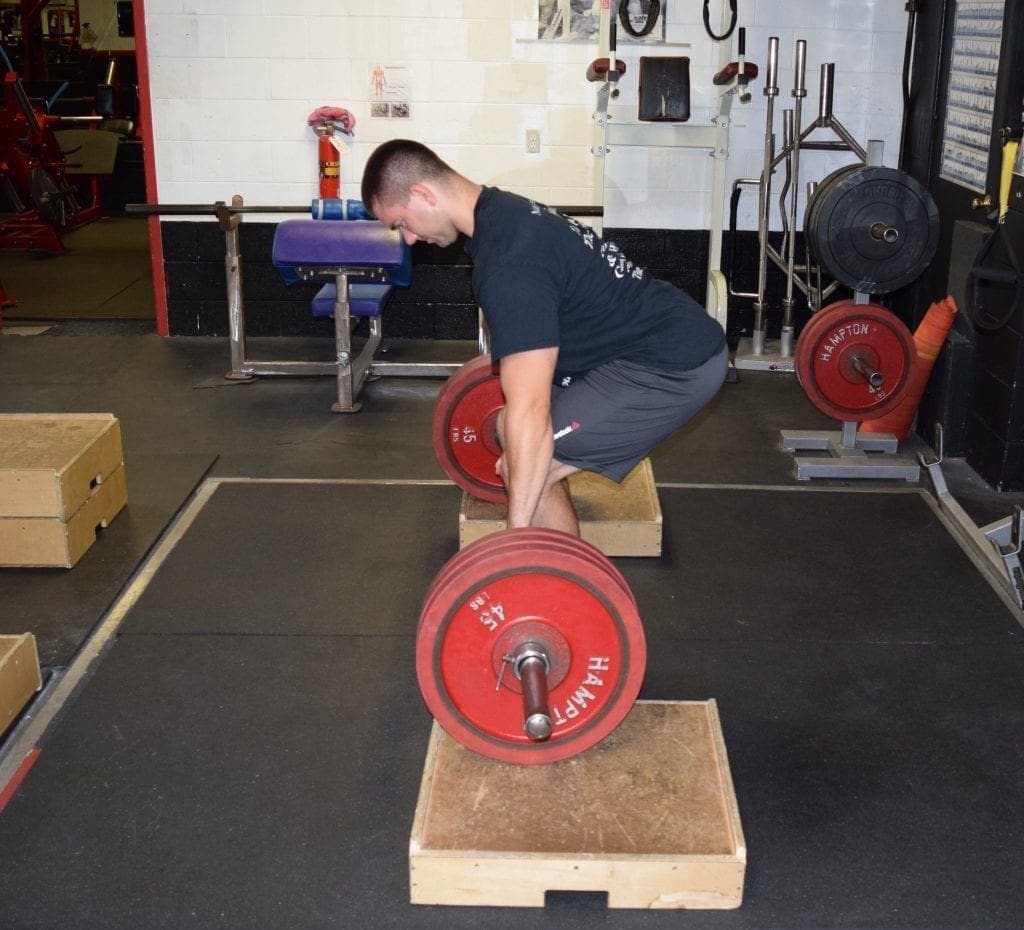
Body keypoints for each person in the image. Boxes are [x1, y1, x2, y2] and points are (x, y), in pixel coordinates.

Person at [361, 139, 728, 536]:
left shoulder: (509, 265)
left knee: (524, 456)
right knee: (516, 442)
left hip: (671, 368)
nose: (410, 240)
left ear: (422, 194)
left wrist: (511, 537)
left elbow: (532, 408)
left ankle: (549, 577)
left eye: (401, 224)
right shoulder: (502, 211)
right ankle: (559, 576)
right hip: (643, 345)